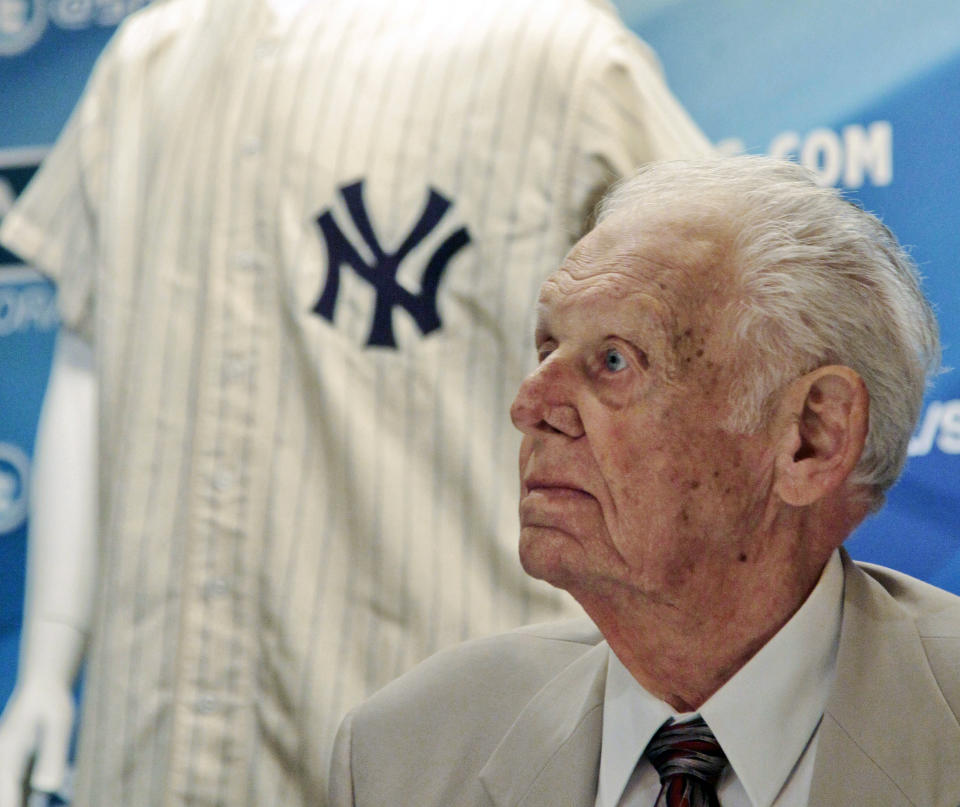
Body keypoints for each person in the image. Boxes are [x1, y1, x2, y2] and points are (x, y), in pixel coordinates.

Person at [0, 0, 714, 803]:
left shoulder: (557, 63)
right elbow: (86, 359)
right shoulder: (150, 61)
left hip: (444, 735)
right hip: (152, 742)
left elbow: (714, 353)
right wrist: (47, 667)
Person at [328, 156, 960, 807]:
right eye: (548, 349)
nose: (530, 403)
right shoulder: (404, 753)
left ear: (811, 436)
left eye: (613, 360)